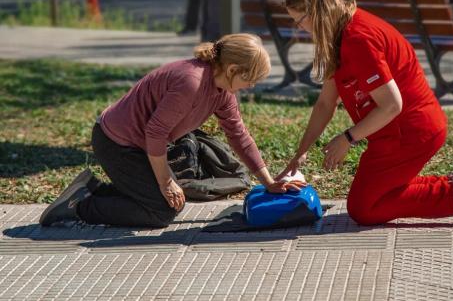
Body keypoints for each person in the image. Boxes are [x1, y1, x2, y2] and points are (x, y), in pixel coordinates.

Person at [276, 0, 453, 226]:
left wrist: (347, 138)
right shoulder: (339, 33)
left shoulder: (357, 39)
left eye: (300, 21)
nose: (299, 28)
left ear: (317, 12)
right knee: (370, 200)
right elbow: (326, 103)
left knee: (364, 208)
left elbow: (392, 105)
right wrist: (301, 152)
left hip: (410, 132)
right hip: (396, 132)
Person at [40, 33, 305, 228]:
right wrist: (166, 182)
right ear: (233, 68)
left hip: (142, 145)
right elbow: (154, 133)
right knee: (160, 212)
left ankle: (91, 190)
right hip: (116, 143)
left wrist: (269, 182)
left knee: (164, 200)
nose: (251, 87)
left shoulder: (222, 90)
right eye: (250, 80)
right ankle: (80, 206)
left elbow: (239, 135)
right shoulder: (191, 82)